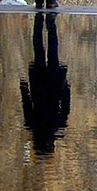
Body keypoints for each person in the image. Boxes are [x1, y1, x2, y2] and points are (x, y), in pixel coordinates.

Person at [20, 12, 71, 155]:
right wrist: (23, 87)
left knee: (53, 50)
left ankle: (50, 23)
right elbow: (27, 103)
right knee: (39, 48)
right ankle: (40, 22)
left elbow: (66, 105)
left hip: (54, 84)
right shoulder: (32, 125)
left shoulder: (58, 125)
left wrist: (66, 88)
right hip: (39, 82)